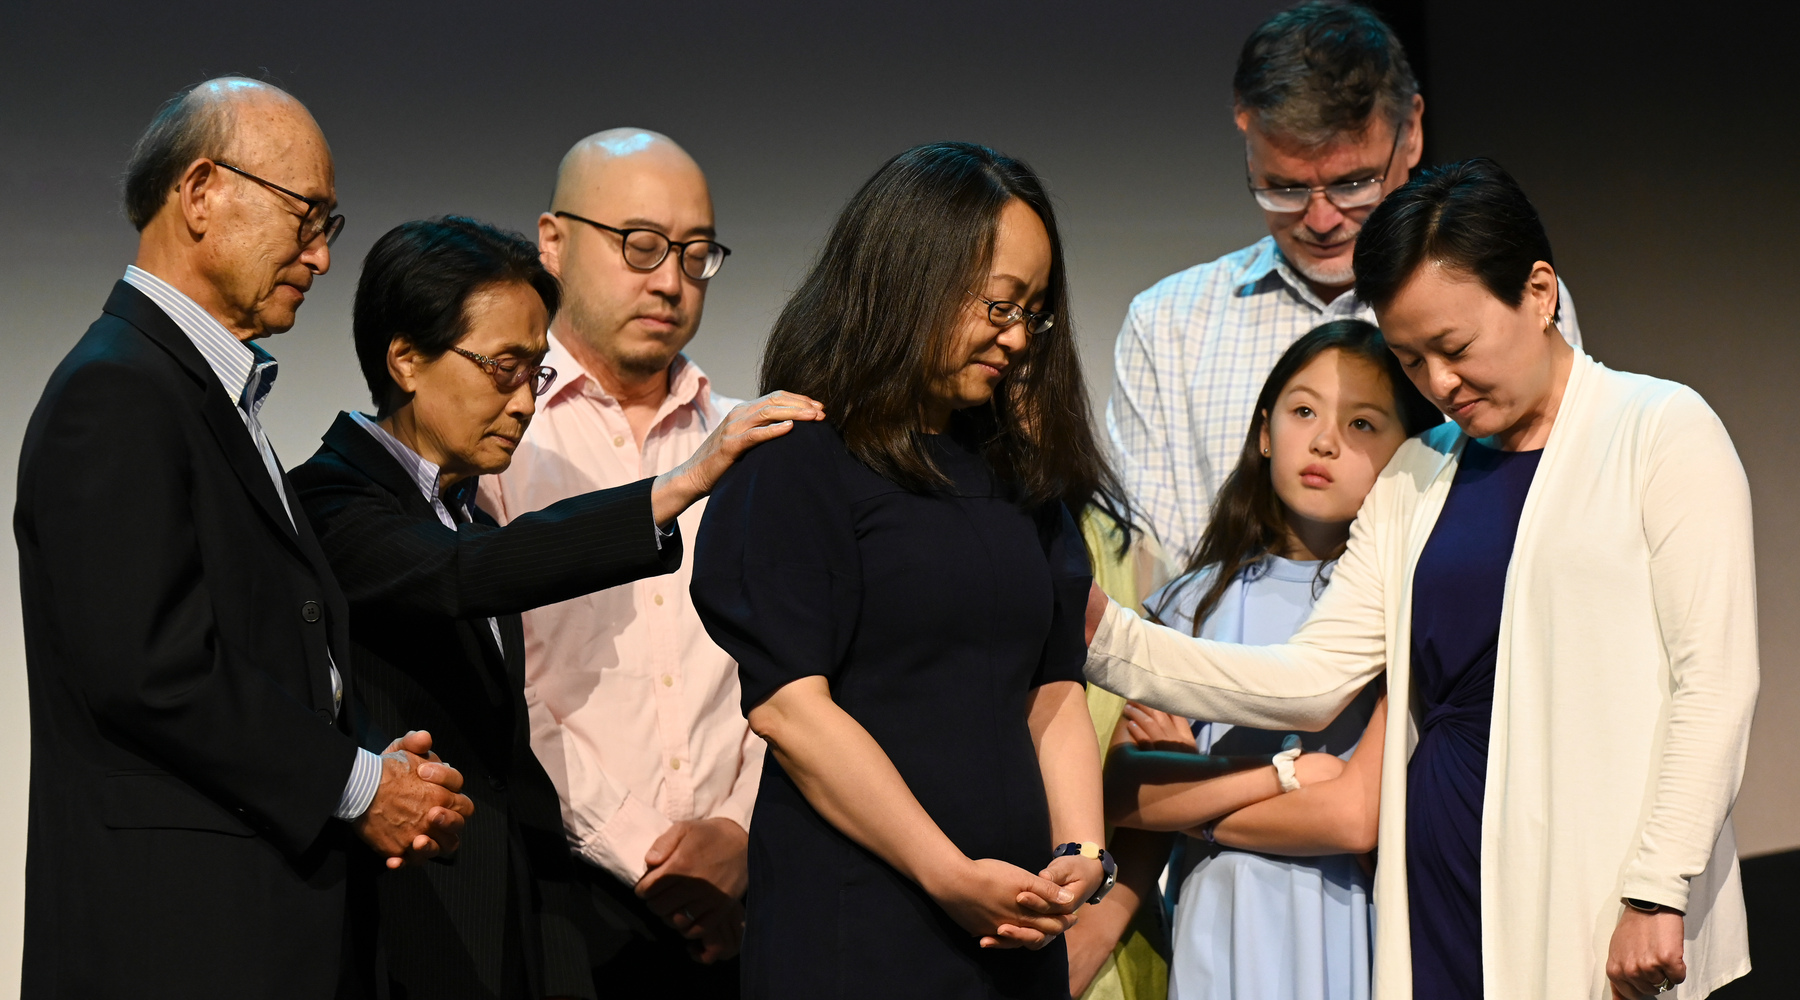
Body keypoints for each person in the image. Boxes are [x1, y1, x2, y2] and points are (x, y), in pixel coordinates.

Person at [1085, 159, 1756, 1000]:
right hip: (1441, 882)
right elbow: (1312, 678)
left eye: (1455, 346)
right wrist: (1105, 638)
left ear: (1539, 292)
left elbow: (1714, 682)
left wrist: (1659, 885)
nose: (1439, 384)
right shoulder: (1415, 473)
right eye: (1411, 360)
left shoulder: (1660, 430)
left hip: (1599, 882)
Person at [14, 78, 472, 998]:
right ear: (199, 193)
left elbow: (279, 649)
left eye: (330, 225)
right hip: (174, 939)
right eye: (307, 214)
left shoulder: (197, 394)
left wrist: (383, 766)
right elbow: (153, 672)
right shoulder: (117, 393)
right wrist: (356, 786)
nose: (321, 254)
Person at [288, 217, 821, 999]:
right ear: (405, 358)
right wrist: (678, 484)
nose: (523, 402)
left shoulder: (467, 511)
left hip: (520, 924)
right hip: (403, 932)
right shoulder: (331, 501)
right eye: (502, 368)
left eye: (534, 374)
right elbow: (462, 576)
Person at [691, 141, 1113, 998]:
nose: (1018, 335)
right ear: (913, 271)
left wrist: (1081, 849)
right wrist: (948, 873)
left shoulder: (1017, 477)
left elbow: (1054, 684)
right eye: (1000, 304)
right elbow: (791, 710)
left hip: (1013, 922)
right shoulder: (800, 460)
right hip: (861, 920)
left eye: (1034, 311)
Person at [1107, 0, 1581, 564]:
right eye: (1283, 188)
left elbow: (1543, 512)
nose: (1322, 219)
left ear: (1411, 132)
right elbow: (1155, 568)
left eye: (1353, 183)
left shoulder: (1504, 304)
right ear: (1244, 132)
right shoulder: (1167, 324)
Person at [475, 129, 763, 994]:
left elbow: (792, 666)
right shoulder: (498, 437)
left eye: (696, 253)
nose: (670, 279)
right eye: (640, 245)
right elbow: (501, 687)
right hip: (560, 899)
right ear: (553, 242)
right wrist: (649, 853)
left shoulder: (747, 439)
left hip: (747, 906)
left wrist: (742, 836)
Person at [1105, 319, 1440, 1000]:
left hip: (1347, 928)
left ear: (1408, 452)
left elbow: (1349, 820)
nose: (1323, 441)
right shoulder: (1184, 608)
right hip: (1215, 928)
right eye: (1304, 410)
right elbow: (1120, 792)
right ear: (1265, 430)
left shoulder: (1402, 611)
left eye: (1365, 424)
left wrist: (1192, 789)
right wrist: (1289, 774)